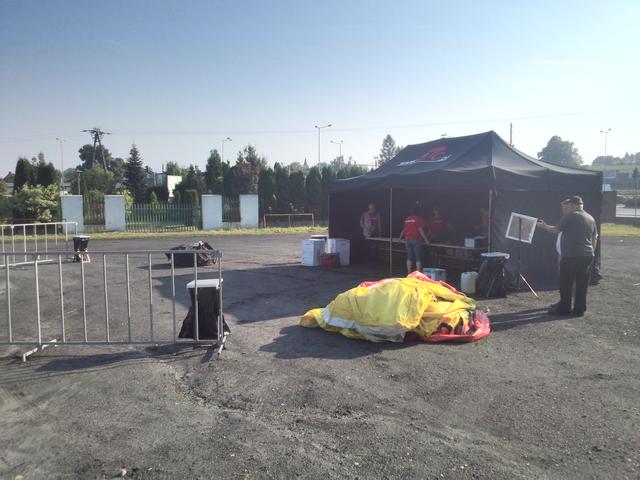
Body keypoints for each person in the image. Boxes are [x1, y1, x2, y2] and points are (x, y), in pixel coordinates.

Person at [537, 196, 598, 317]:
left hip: (571, 255)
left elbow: (556, 230)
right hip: (587, 255)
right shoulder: (590, 218)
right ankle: (579, 310)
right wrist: (592, 252)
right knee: (582, 284)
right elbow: (594, 238)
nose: (568, 208)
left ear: (573, 205)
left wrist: (544, 226)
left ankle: (564, 309)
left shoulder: (571, 216)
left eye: (569, 205)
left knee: (566, 283)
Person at [399, 207, 430, 274]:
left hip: (407, 240)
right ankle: (418, 275)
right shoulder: (418, 219)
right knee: (418, 258)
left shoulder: (407, 219)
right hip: (416, 240)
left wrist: (400, 238)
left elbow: (404, 230)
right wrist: (426, 239)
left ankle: (409, 273)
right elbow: (420, 230)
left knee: (409, 257)